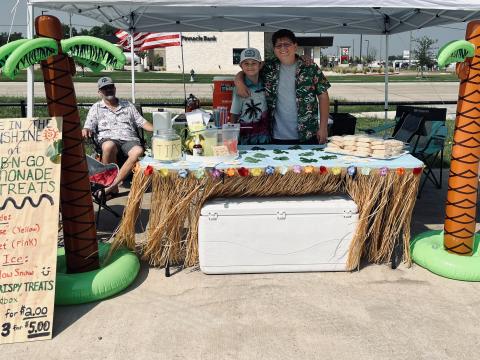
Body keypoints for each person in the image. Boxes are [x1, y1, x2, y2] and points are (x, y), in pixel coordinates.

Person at [235, 29, 331, 144]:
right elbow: (249, 69)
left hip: (307, 134)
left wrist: (323, 127)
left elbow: (323, 97)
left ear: (295, 46)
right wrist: (238, 81)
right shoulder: (269, 67)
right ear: (274, 49)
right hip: (276, 135)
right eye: (278, 45)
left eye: (287, 44)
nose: (282, 48)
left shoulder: (310, 67)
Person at [82, 76, 153, 196]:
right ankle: (111, 186)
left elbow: (142, 122)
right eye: (105, 88)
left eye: (110, 87)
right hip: (107, 138)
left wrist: (159, 128)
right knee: (108, 146)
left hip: (129, 139)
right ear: (99, 92)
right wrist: (86, 129)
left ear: (114, 88)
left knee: (138, 150)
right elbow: (89, 125)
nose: (108, 90)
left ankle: (112, 186)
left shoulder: (128, 105)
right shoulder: (96, 108)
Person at [230, 48, 270, 145]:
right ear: (241, 66)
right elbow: (234, 114)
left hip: (265, 137)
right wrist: (232, 137)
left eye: (254, 63)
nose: (250, 66)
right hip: (245, 139)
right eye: (246, 63)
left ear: (260, 65)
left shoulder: (267, 83)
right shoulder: (239, 89)